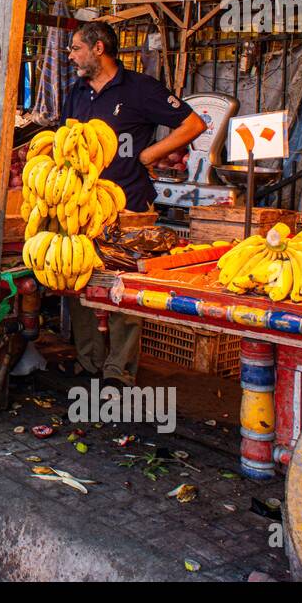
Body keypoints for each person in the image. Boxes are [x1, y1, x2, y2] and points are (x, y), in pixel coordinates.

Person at [61, 21, 207, 387]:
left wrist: (149, 156)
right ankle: (89, 359)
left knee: (124, 287)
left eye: (76, 48)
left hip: (130, 205)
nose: (70, 55)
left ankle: (118, 371)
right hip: (83, 204)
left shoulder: (140, 88)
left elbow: (193, 124)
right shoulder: (76, 92)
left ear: (98, 49)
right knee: (80, 281)